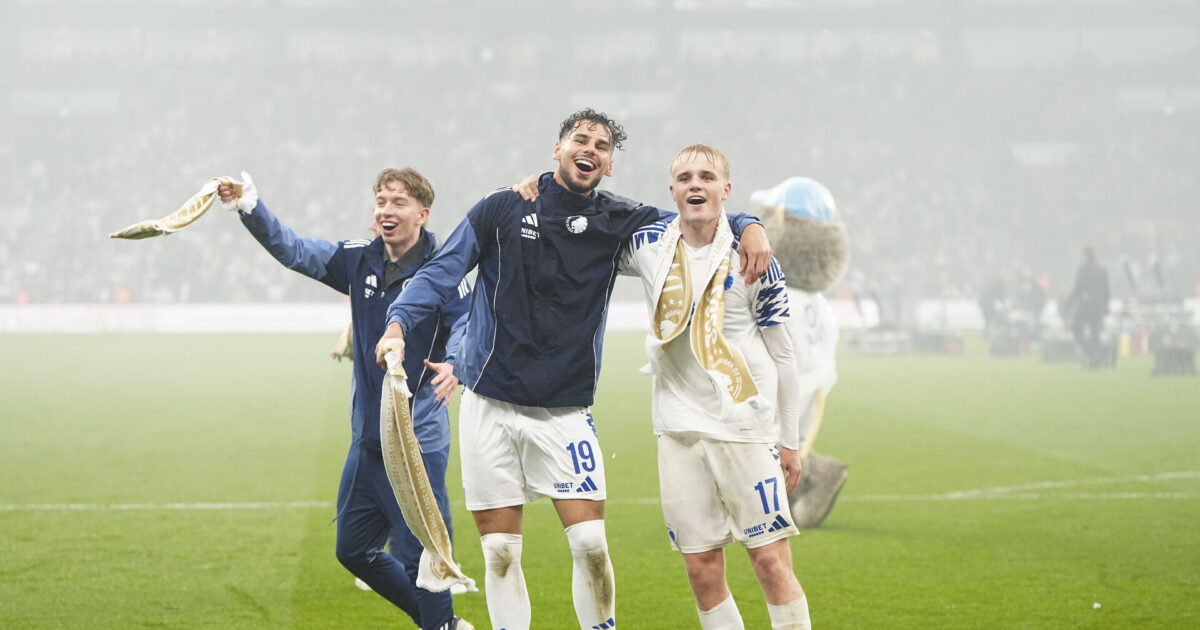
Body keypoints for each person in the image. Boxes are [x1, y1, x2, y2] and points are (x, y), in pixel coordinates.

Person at [376, 109, 774, 630]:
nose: (590, 149)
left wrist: (750, 224)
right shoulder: (501, 208)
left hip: (565, 411)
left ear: (608, 165)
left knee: (590, 544)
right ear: (557, 149)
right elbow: (441, 271)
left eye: (602, 146)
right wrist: (398, 323)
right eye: (580, 139)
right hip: (489, 405)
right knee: (499, 553)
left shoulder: (619, 219)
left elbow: (697, 216)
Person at [218, 169, 473, 630]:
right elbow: (295, 251)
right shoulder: (359, 260)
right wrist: (249, 208)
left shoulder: (445, 269)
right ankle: (444, 625)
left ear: (422, 213)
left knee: (424, 560)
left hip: (417, 441)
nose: (385, 211)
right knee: (353, 548)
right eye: (381, 201)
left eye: (397, 202)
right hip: (368, 439)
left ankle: (440, 625)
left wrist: (455, 363)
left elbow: (465, 326)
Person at [618, 145, 810, 629]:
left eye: (706, 177)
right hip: (678, 431)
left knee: (769, 562)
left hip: (745, 427)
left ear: (726, 189)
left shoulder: (754, 257)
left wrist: (790, 441)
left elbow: (785, 356)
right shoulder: (647, 246)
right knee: (700, 569)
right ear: (672, 190)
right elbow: (586, 224)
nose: (695, 185)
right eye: (685, 177)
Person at [751, 177, 849, 529]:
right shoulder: (816, 301)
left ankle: (812, 475)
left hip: (782, 386)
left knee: (752, 447)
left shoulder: (776, 294)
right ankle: (807, 479)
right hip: (813, 383)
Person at [1065, 246, 1111, 368]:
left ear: (1085, 255)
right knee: (1095, 333)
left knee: (1076, 328)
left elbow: (1078, 287)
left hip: (1086, 305)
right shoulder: (1102, 269)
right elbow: (1106, 290)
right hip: (1099, 306)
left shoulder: (1083, 269)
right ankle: (1096, 359)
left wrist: (1068, 302)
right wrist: (1106, 307)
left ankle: (1089, 353)